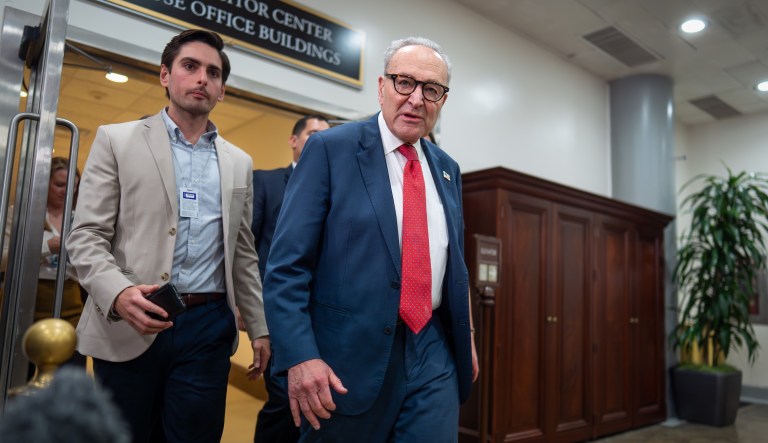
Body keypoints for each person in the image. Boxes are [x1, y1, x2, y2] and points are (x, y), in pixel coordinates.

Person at [263, 37, 479, 442]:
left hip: (432, 351)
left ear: (442, 100)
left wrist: (464, 336)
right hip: (345, 359)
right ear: (381, 87)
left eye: (431, 89)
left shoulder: (448, 169)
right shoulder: (331, 149)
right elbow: (286, 266)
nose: (416, 99)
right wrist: (300, 356)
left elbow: (454, 265)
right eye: (404, 83)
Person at [66, 29, 270, 443]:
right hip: (133, 318)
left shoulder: (239, 163)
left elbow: (241, 251)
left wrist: (260, 326)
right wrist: (120, 295)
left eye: (213, 73)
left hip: (208, 325)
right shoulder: (117, 140)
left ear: (222, 91)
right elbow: (85, 236)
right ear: (165, 76)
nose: (202, 79)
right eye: (190, 67)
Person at [251, 114, 330, 443]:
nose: (320, 141)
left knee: (319, 404)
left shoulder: (339, 188)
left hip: (325, 316)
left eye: (326, 136)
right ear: (294, 140)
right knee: (285, 400)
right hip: (281, 313)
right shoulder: (266, 182)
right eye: (313, 134)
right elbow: (249, 248)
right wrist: (253, 311)